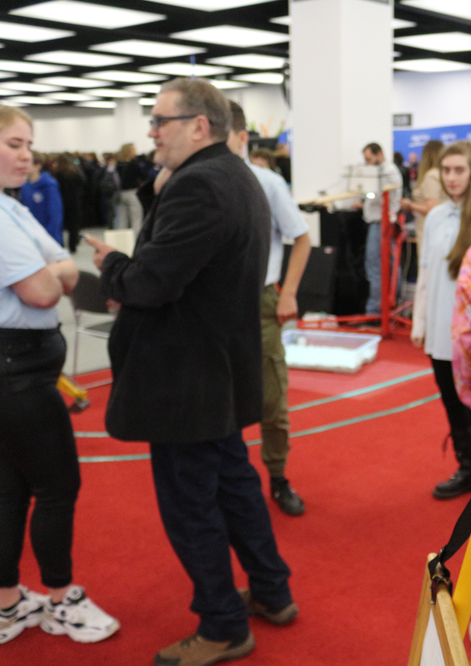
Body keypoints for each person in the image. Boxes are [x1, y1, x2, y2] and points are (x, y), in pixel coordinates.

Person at [84, 78, 296, 666]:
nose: (151, 132)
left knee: (191, 507)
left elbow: (151, 282)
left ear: (199, 126)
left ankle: (224, 626)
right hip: (215, 371)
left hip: (184, 380)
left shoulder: (199, 185)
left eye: (160, 120)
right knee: (234, 487)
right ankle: (272, 591)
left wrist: (113, 264)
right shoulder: (236, 176)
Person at [0, 104, 119, 645]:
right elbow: (46, 289)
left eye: (29, 145)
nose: (27, 157)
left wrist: (55, 270)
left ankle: (7, 602)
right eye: (14, 145)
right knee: (57, 485)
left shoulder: (13, 207)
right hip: (16, 373)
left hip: (23, 368)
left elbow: (65, 264)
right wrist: (54, 272)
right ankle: (60, 598)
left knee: (11, 488)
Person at [227, 100, 311, 517]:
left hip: (260, 301)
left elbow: (302, 237)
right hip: (214, 306)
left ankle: (277, 477)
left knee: (272, 400)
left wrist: (289, 292)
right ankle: (228, 480)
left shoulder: (267, 182)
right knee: (219, 400)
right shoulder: (199, 183)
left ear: (242, 137)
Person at [411, 141, 471, 500]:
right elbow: (425, 272)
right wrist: (419, 322)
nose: (451, 177)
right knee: (452, 404)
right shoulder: (436, 215)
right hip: (440, 330)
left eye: (459, 170)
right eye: (446, 170)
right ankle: (467, 468)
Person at [352, 142, 402, 315]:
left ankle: (375, 310)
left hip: (382, 223)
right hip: (380, 222)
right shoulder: (383, 171)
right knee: (385, 266)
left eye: (369, 159)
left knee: (376, 266)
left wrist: (366, 195)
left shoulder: (387, 172)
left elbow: (379, 195)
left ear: (379, 154)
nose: (368, 163)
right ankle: (386, 307)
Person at [399, 139, 444, 254]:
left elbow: (432, 208)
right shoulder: (440, 174)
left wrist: (410, 205)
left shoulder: (431, 176)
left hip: (429, 231)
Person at [20, 151, 63, 246]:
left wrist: (47, 237)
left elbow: (55, 215)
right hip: (30, 236)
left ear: (37, 166)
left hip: (48, 238)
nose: (23, 166)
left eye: (27, 163)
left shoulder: (49, 186)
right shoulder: (24, 186)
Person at [51, 154, 86, 253]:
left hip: (60, 201)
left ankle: (60, 244)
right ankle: (73, 245)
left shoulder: (55, 175)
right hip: (74, 201)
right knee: (74, 226)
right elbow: (82, 184)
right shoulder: (75, 174)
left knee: (60, 224)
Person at [116, 143, 144, 231]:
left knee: (122, 219)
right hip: (133, 192)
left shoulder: (118, 164)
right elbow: (142, 176)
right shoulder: (133, 164)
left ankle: (121, 237)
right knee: (136, 219)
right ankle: (136, 237)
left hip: (121, 193)